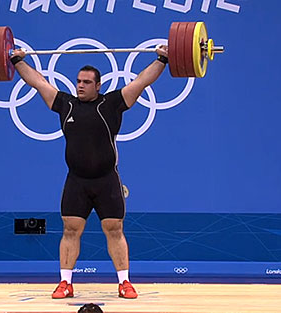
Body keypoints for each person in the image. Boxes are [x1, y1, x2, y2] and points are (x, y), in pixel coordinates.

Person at [10, 44, 168, 299]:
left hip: (106, 180)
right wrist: (17, 62)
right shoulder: (66, 104)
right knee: (70, 229)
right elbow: (38, 82)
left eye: (86, 82)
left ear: (98, 85)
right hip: (77, 181)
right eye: (78, 81)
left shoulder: (113, 103)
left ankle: (124, 283)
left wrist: (163, 58)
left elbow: (141, 82)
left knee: (114, 229)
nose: (80, 86)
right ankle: (65, 283)